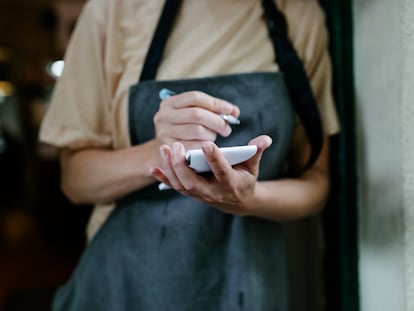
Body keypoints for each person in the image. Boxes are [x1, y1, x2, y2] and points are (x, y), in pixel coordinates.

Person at [39, 0, 340, 310]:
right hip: (126, 286)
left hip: (247, 285)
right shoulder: (113, 10)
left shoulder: (298, 14)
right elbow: (75, 181)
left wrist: (249, 198)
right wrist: (158, 154)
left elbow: (316, 182)